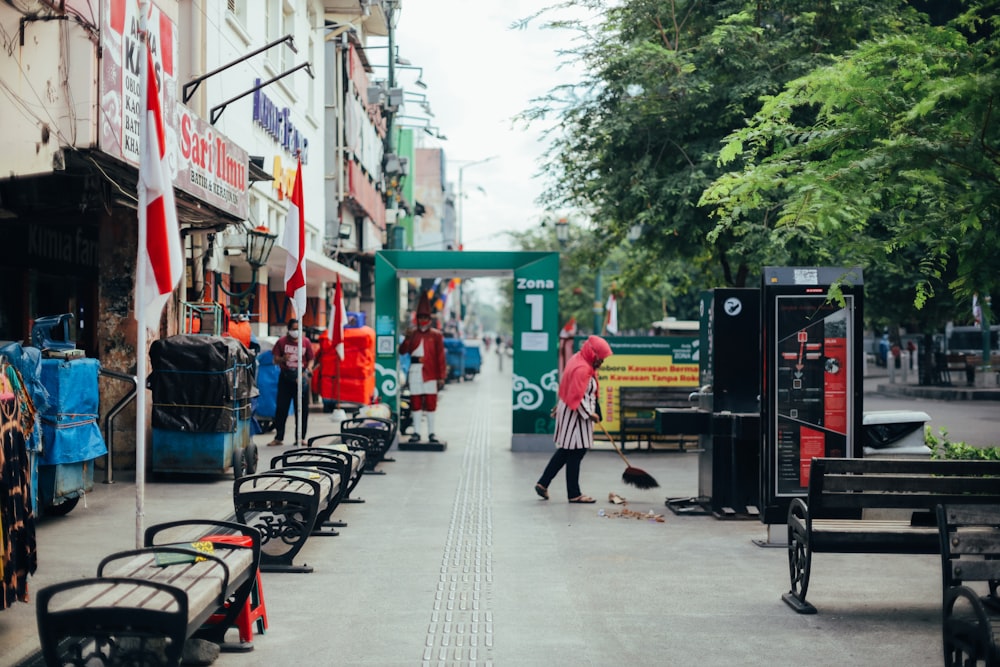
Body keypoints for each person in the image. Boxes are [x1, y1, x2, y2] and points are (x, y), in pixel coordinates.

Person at [534, 335, 613, 503]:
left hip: (570, 410)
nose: (602, 362)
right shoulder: (582, 368)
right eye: (601, 358)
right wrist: (590, 414)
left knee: (566, 451)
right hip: (575, 414)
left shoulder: (579, 359)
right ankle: (573, 493)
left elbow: (568, 387)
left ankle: (543, 483)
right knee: (576, 452)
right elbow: (579, 396)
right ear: (594, 354)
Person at [398, 293, 447, 443]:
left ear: (430, 319)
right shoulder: (412, 334)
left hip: (430, 373)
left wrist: (441, 376)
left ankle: (432, 433)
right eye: (421, 317)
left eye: (425, 317)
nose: (423, 320)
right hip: (415, 372)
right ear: (417, 318)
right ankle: (417, 433)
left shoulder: (436, 335)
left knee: (431, 402)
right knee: (416, 402)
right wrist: (406, 338)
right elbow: (402, 351)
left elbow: (440, 357)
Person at [267, 318, 314, 447]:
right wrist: (283, 358)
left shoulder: (306, 342)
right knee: (282, 408)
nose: (296, 332)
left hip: (301, 378)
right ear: (288, 330)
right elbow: (274, 360)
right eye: (293, 329)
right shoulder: (281, 342)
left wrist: (309, 368)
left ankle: (300, 437)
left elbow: (311, 359)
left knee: (302, 409)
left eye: (298, 329)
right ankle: (279, 437)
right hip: (286, 378)